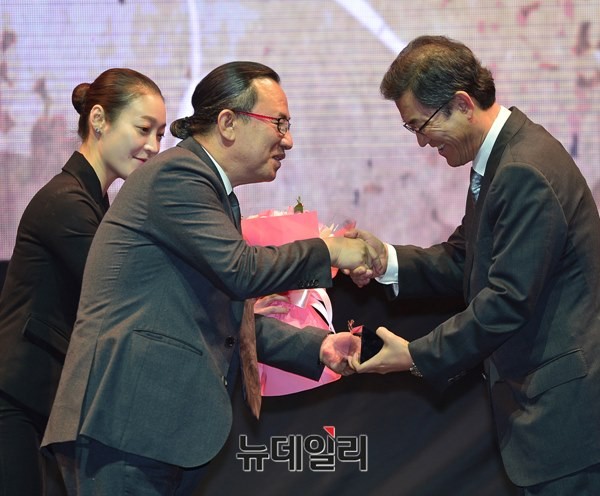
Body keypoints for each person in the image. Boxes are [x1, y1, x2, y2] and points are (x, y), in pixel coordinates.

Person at [41, 61, 371, 496]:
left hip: (148, 430)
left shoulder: (212, 192)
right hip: (124, 423)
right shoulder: (178, 176)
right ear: (228, 123)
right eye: (279, 123)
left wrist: (319, 346)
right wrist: (329, 250)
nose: (287, 140)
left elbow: (224, 317)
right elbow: (242, 271)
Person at [346, 35, 600, 495]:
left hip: (567, 419)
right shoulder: (504, 156)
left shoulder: (522, 169)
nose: (421, 142)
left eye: (421, 125)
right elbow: (465, 257)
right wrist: (387, 260)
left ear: (462, 103)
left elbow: (507, 300)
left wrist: (417, 354)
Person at [0, 68, 166, 496]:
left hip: (41, 402)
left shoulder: (93, 201)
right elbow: (128, 288)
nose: (153, 146)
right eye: (143, 129)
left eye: (160, 134)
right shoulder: (67, 201)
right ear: (98, 120)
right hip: (14, 402)